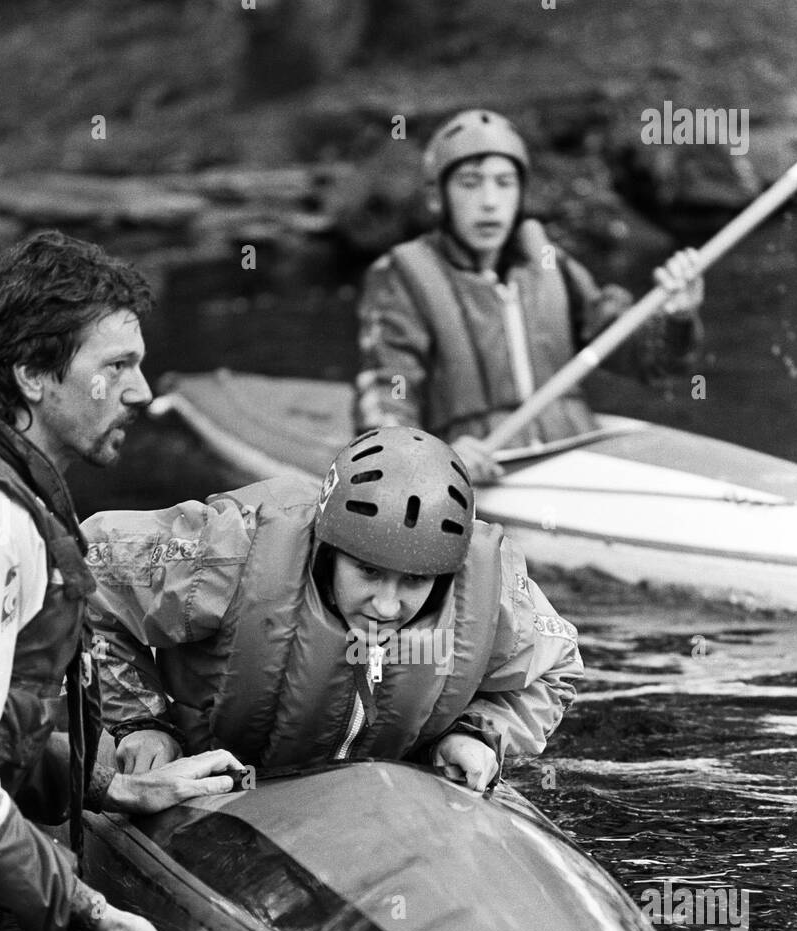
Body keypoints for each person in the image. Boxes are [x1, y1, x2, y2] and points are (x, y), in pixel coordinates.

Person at [0, 230, 243, 931]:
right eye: (116, 366)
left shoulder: (2, 490)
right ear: (31, 373)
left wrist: (111, 784)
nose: (143, 391)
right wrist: (96, 915)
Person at [82, 426, 584, 791]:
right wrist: (142, 722)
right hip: (216, 774)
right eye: (367, 572)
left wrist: (476, 733)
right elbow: (87, 575)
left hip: (383, 790)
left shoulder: (490, 591)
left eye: (414, 581)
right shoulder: (232, 552)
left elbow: (555, 667)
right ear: (328, 549)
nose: (388, 606)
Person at [354, 109, 705, 483]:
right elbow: (386, 401)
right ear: (437, 196)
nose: (489, 201)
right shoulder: (401, 277)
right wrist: (433, 458)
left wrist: (676, 317)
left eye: (504, 183)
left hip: (572, 456)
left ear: (520, 193)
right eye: (470, 183)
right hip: (476, 471)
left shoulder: (549, 261)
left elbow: (650, 364)